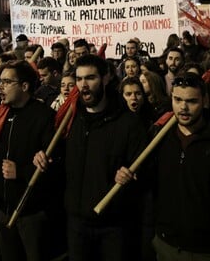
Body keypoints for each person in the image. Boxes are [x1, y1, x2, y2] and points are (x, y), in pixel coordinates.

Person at [117, 72, 210, 261]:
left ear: (205, 101)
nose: (183, 107)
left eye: (191, 101)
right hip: (166, 245)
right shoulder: (159, 137)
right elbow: (149, 184)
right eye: (177, 99)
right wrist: (128, 176)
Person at [34, 54, 148, 261]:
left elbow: (145, 173)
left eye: (90, 78)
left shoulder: (128, 124)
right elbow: (59, 161)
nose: (83, 85)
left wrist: (131, 177)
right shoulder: (70, 120)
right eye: (79, 79)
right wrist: (43, 158)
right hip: (76, 222)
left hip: (114, 225)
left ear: (105, 78)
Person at [0, 60, 57, 261]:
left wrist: (21, 171)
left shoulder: (45, 116)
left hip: (30, 210)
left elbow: (54, 165)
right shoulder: (0, 113)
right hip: (1, 205)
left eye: (6, 82)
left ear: (25, 86)